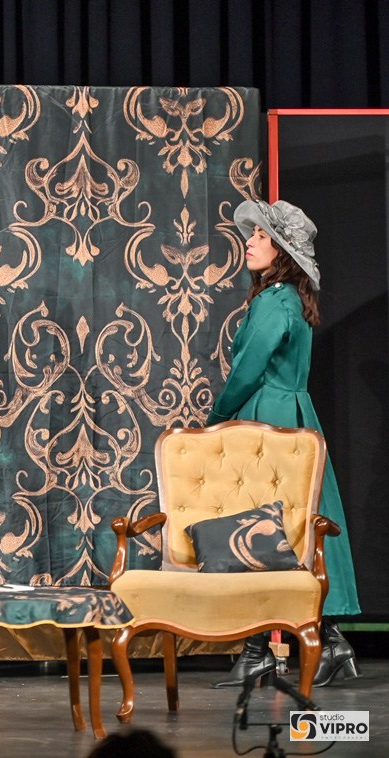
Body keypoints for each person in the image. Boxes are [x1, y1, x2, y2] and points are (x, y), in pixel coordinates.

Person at [207, 198, 360, 689]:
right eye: (252, 234)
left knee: (262, 529)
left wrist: (216, 418)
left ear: (284, 251)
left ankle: (266, 652)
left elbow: (248, 369)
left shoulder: (275, 301)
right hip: (288, 416)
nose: (250, 242)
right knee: (285, 530)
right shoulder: (288, 298)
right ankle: (324, 643)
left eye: (262, 236)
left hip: (269, 420)